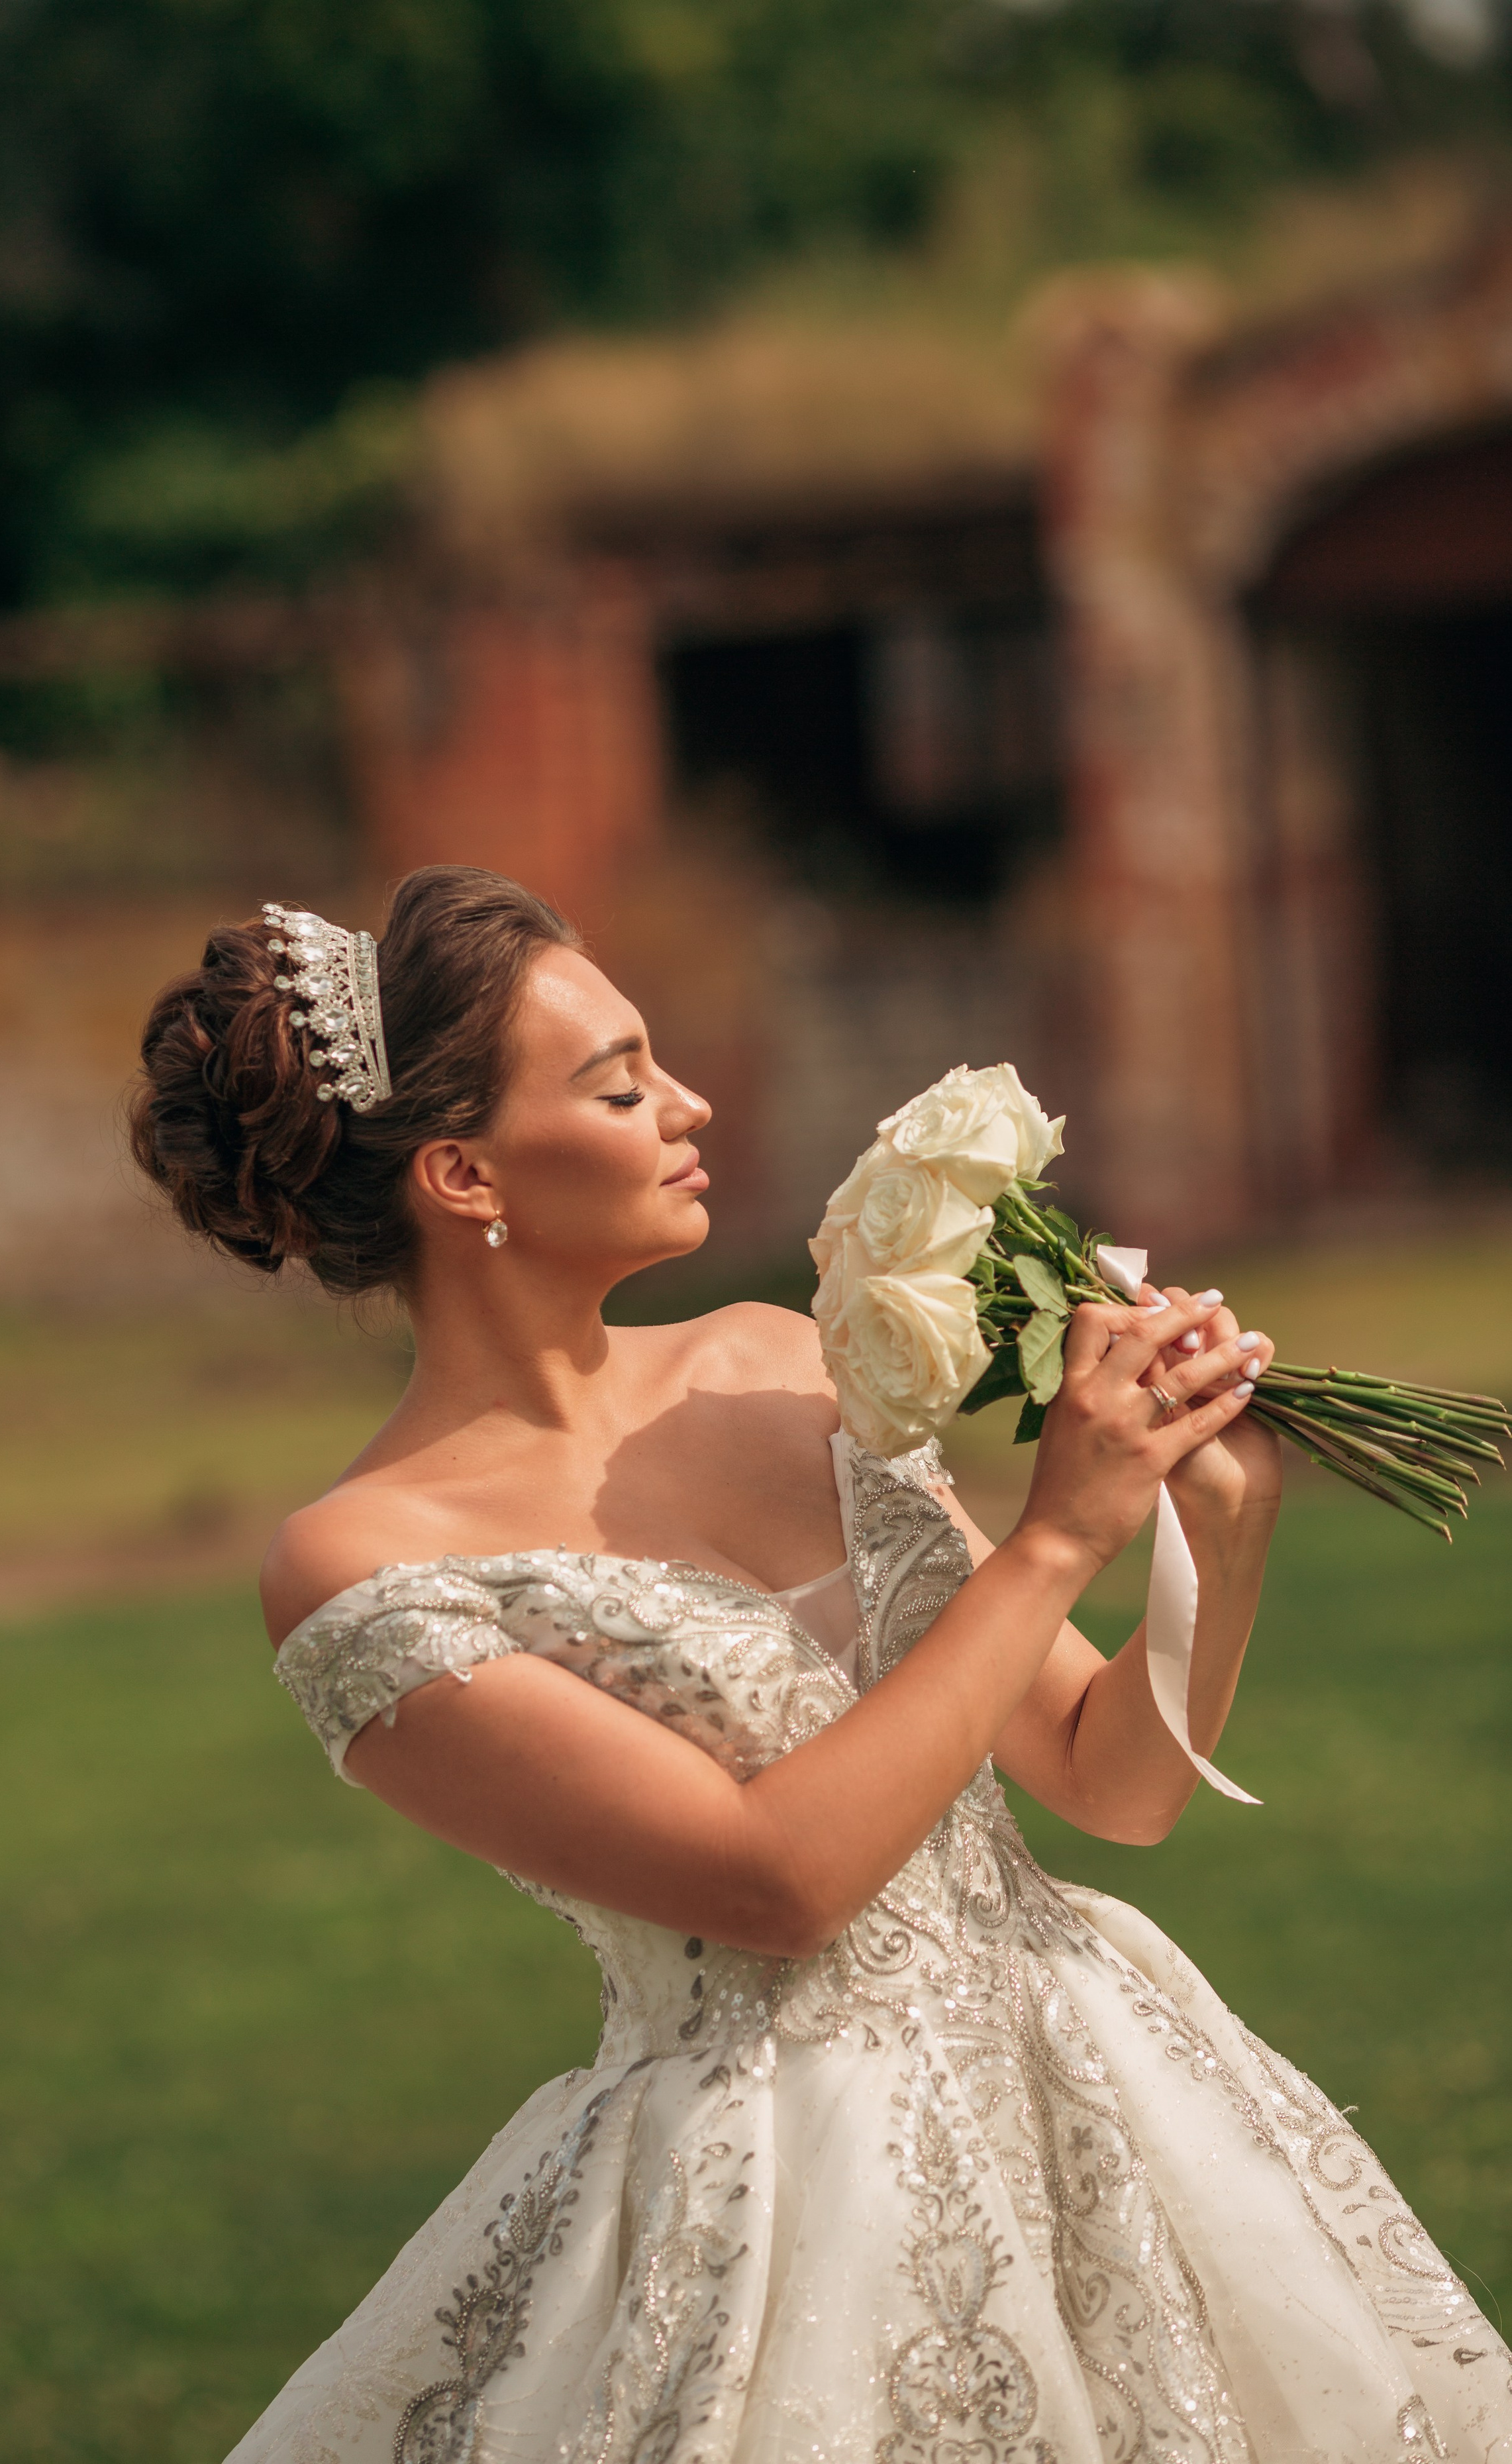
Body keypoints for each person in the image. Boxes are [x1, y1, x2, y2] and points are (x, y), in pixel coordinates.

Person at [131, 864, 1511, 2464]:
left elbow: (1111, 1782)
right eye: (620, 1081)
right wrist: (1053, 1537)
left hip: (1096, 2087)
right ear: (460, 1171)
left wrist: (1219, 1517)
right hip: (794, 2193)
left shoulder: (777, 1367)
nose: (688, 1103)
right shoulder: (358, 1571)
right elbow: (771, 1883)